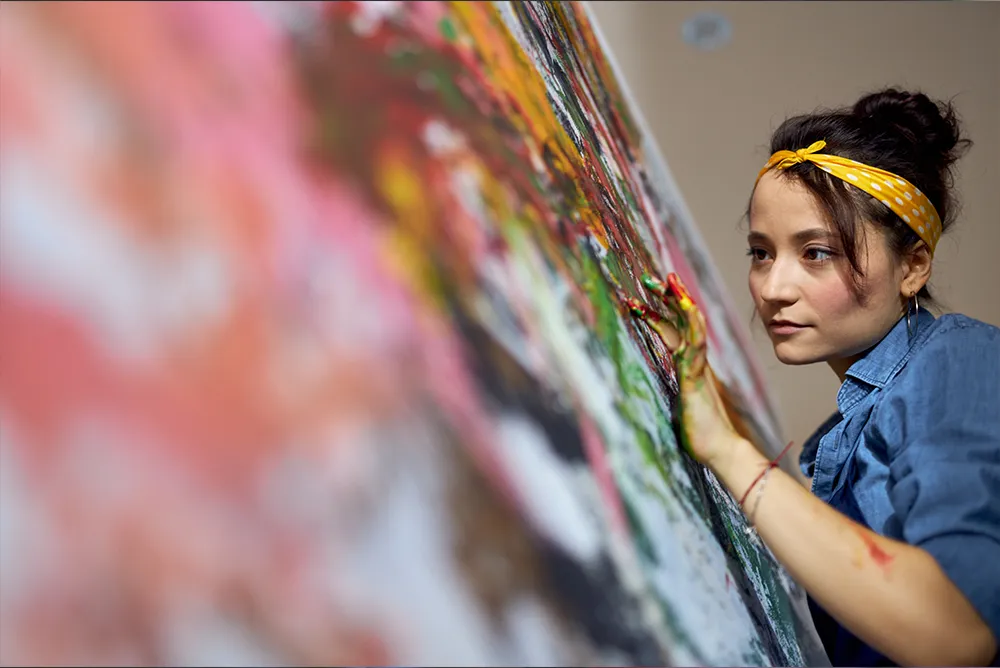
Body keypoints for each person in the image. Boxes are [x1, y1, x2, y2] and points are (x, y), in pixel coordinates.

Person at [643, 88, 1000, 667]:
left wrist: (727, 451)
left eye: (816, 253)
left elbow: (955, 633)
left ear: (912, 265)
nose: (774, 288)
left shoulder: (957, 363)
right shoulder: (852, 421)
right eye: (761, 252)